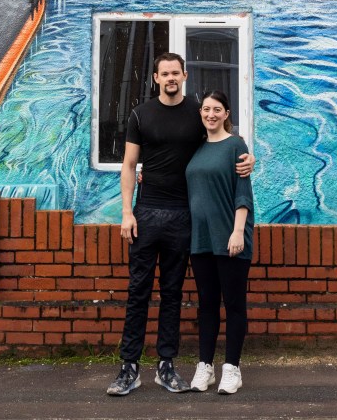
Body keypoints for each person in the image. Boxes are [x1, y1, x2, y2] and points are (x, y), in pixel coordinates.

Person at [106, 54, 255, 397]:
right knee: (138, 292)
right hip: (146, 213)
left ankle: (166, 367)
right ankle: (129, 368)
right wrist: (127, 212)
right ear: (156, 77)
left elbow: (225, 138)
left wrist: (249, 157)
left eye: (176, 72)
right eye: (165, 73)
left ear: (184, 75)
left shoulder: (196, 112)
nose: (171, 78)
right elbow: (129, 165)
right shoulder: (140, 114)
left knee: (173, 294)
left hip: (182, 216)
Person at [186, 89, 254, 395]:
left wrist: (238, 231)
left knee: (234, 305)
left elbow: (243, 192)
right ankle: (205, 367)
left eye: (217, 109)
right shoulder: (196, 148)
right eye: (206, 109)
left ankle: (232, 368)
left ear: (227, 114)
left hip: (230, 238)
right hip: (200, 239)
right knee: (207, 306)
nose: (210, 114)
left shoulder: (236, 145)